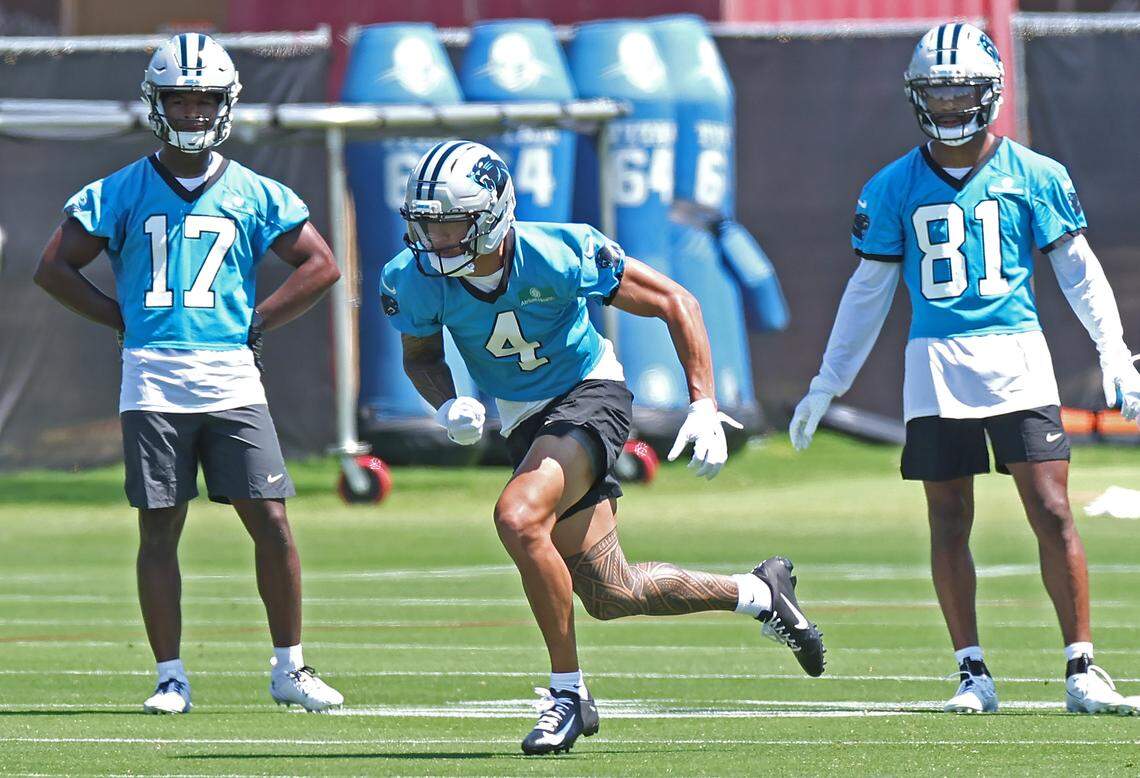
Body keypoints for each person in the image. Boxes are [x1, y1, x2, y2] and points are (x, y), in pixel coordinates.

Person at [381, 140, 826, 754]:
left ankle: (568, 695)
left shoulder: (559, 252)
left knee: (517, 514)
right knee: (613, 593)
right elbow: (422, 356)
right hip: (523, 422)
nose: (436, 238)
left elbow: (678, 301)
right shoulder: (412, 279)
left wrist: (702, 403)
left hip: (588, 393)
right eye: (426, 223)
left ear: (491, 216)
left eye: (450, 222)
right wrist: (447, 401)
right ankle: (761, 593)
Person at [789, 22, 1140, 715]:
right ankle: (971, 671)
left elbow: (1079, 272)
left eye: (962, 94)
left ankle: (1082, 667)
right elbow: (868, 292)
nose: (950, 109)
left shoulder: (1035, 174)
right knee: (948, 517)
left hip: (1017, 356)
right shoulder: (891, 186)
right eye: (937, 95)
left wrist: (1113, 349)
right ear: (917, 99)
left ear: (992, 94)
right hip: (935, 362)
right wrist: (827, 381)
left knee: (1052, 508)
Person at [33, 33, 344, 714]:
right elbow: (52, 267)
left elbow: (322, 264)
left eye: (206, 99)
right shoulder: (118, 191)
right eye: (183, 98)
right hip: (153, 377)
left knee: (271, 521)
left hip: (232, 377)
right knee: (159, 528)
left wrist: (256, 321)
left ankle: (289, 667)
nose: (195, 112)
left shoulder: (256, 191)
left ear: (226, 103)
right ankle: (170, 674)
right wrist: (119, 317)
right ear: (157, 102)